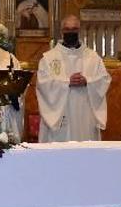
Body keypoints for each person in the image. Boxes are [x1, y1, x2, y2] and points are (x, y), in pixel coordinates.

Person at [36, 15, 110, 143]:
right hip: (60, 114)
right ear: (62, 31)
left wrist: (87, 81)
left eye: (74, 29)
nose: (71, 32)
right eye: (67, 29)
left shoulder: (93, 57)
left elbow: (104, 79)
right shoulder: (48, 58)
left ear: (79, 30)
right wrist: (67, 82)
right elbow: (43, 84)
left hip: (85, 114)